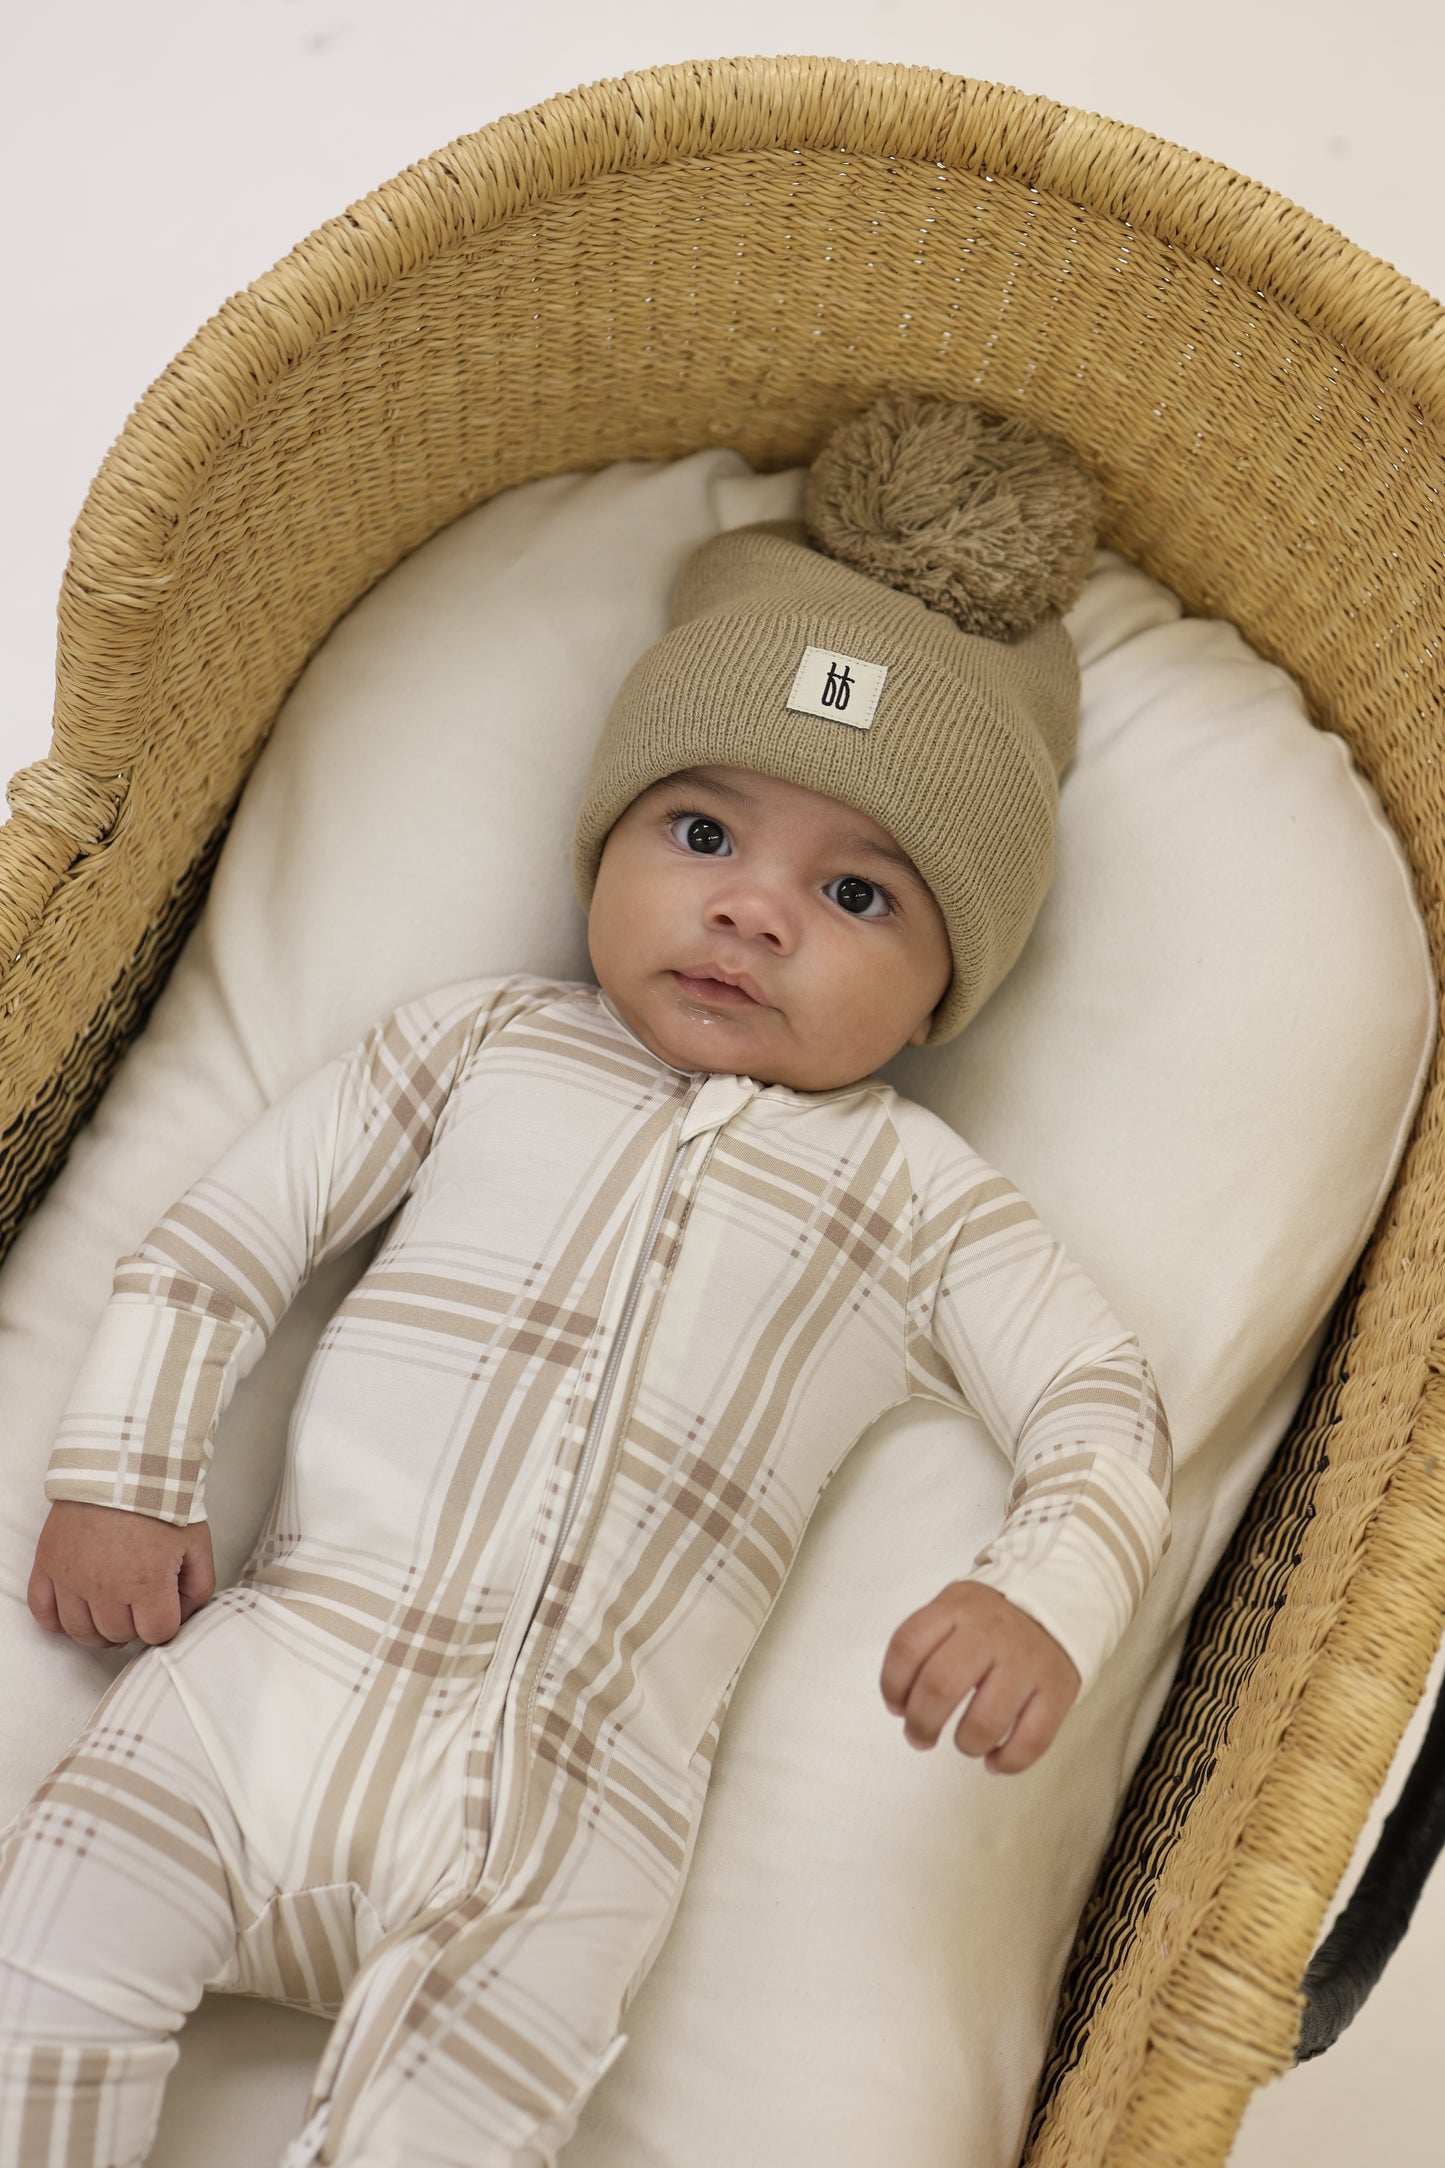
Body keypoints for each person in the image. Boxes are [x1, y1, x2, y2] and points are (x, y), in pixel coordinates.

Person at [0, 393, 1172, 2168]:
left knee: (459, 2122)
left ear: (949, 987)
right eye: (701, 836)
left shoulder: (921, 1201)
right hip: (271, 1682)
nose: (755, 912)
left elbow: (1101, 1408)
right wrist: (127, 1468)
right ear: (605, 840)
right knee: (45, 1964)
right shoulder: (475, 1044)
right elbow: (227, 1236)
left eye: (857, 895)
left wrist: (1041, 1599)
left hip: (570, 1811)